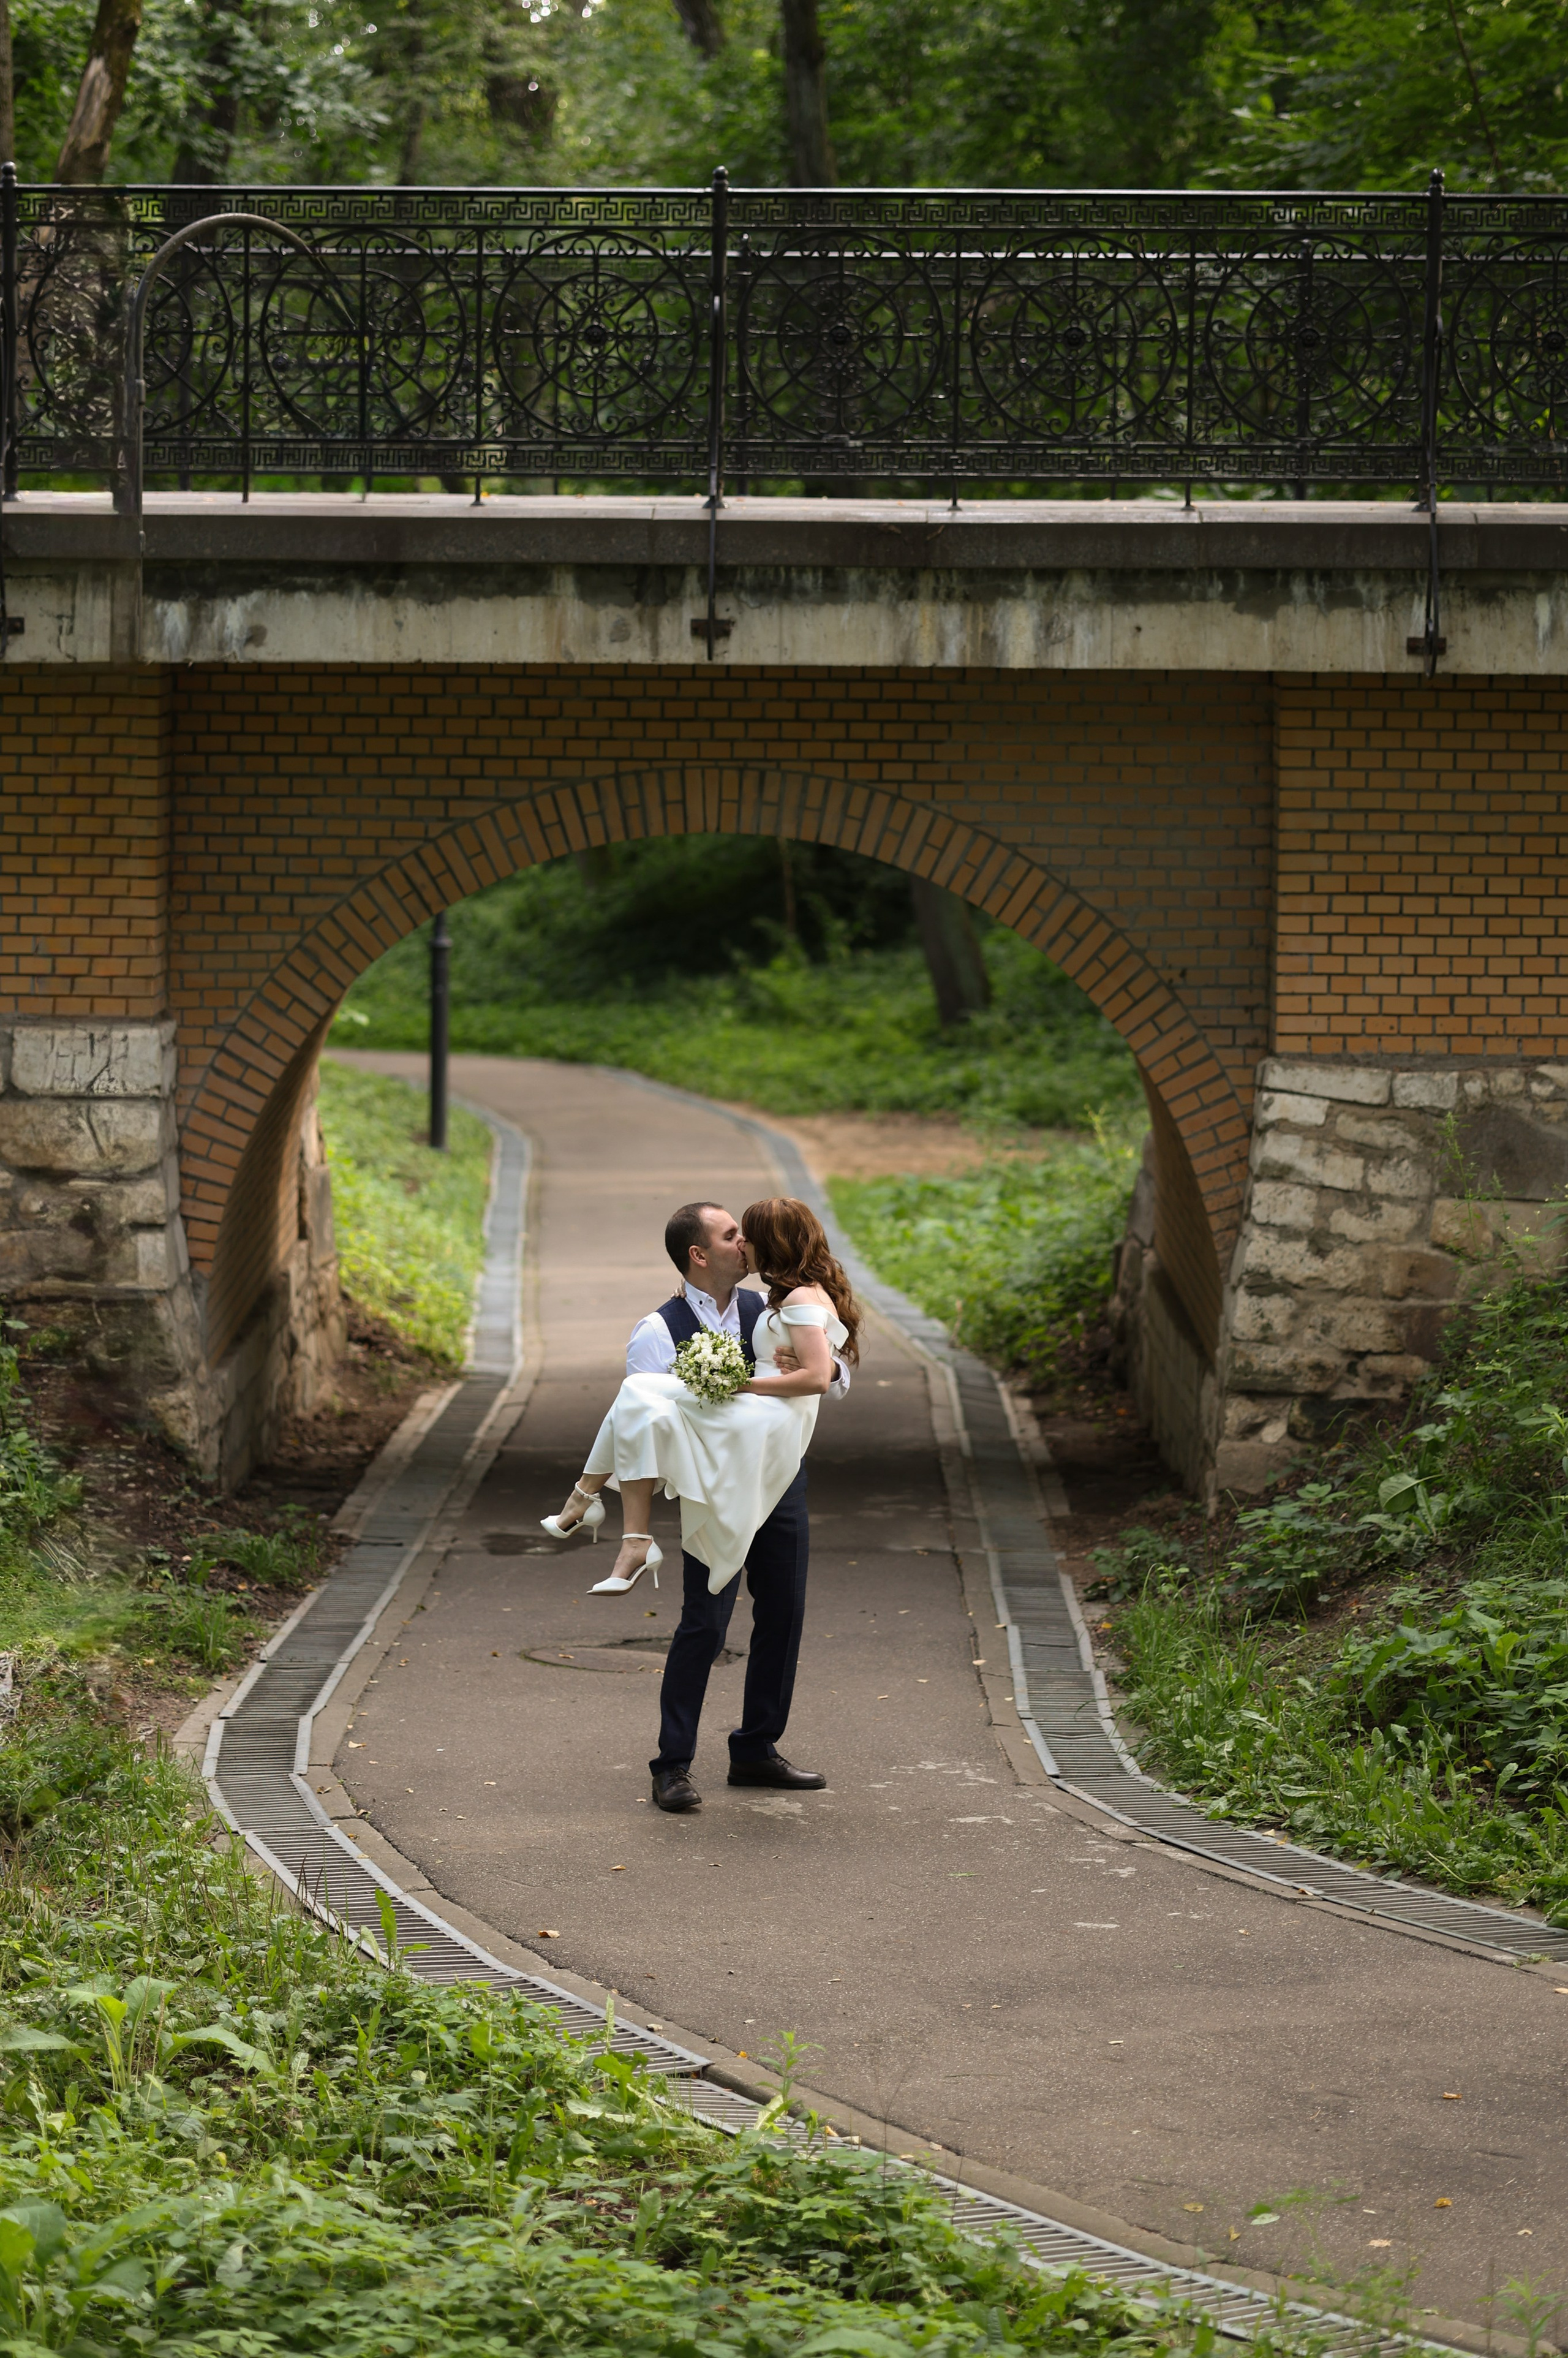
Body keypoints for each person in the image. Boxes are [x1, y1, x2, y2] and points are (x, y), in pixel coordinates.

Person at [541, 1197, 859, 1812]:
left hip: (781, 1480)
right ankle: (673, 1765)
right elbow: (644, 1428)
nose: (745, 1243)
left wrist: (808, 1366)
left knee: (784, 1614)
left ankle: (756, 1750)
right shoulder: (656, 1331)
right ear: (700, 1253)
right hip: (712, 1495)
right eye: (732, 1234)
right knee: (704, 1626)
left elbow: (835, 1375)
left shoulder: (769, 1303)